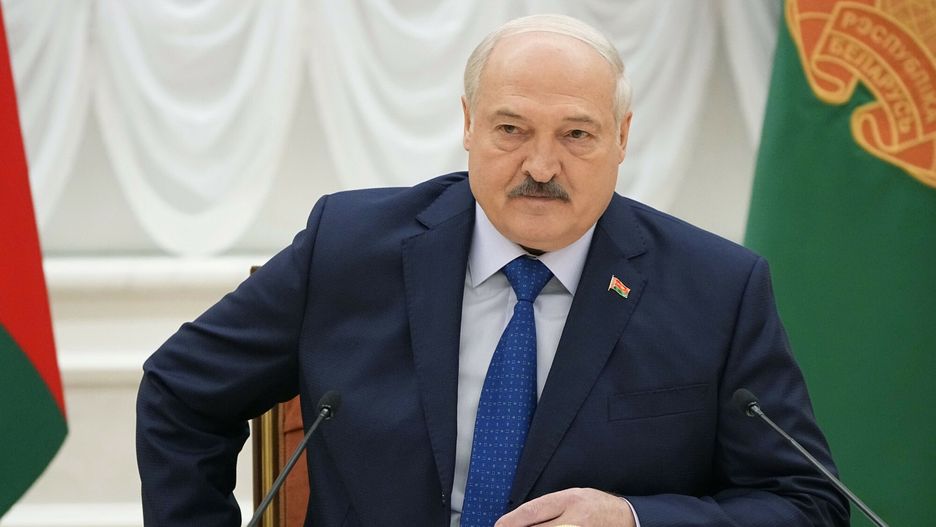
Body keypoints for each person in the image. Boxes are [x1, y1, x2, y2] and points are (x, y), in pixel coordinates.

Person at [136, 14, 849, 527]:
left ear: (622, 138)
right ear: (468, 124)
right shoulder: (348, 248)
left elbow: (806, 502)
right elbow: (180, 390)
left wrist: (635, 519)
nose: (541, 165)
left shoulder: (717, 290)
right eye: (511, 129)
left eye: (576, 134)